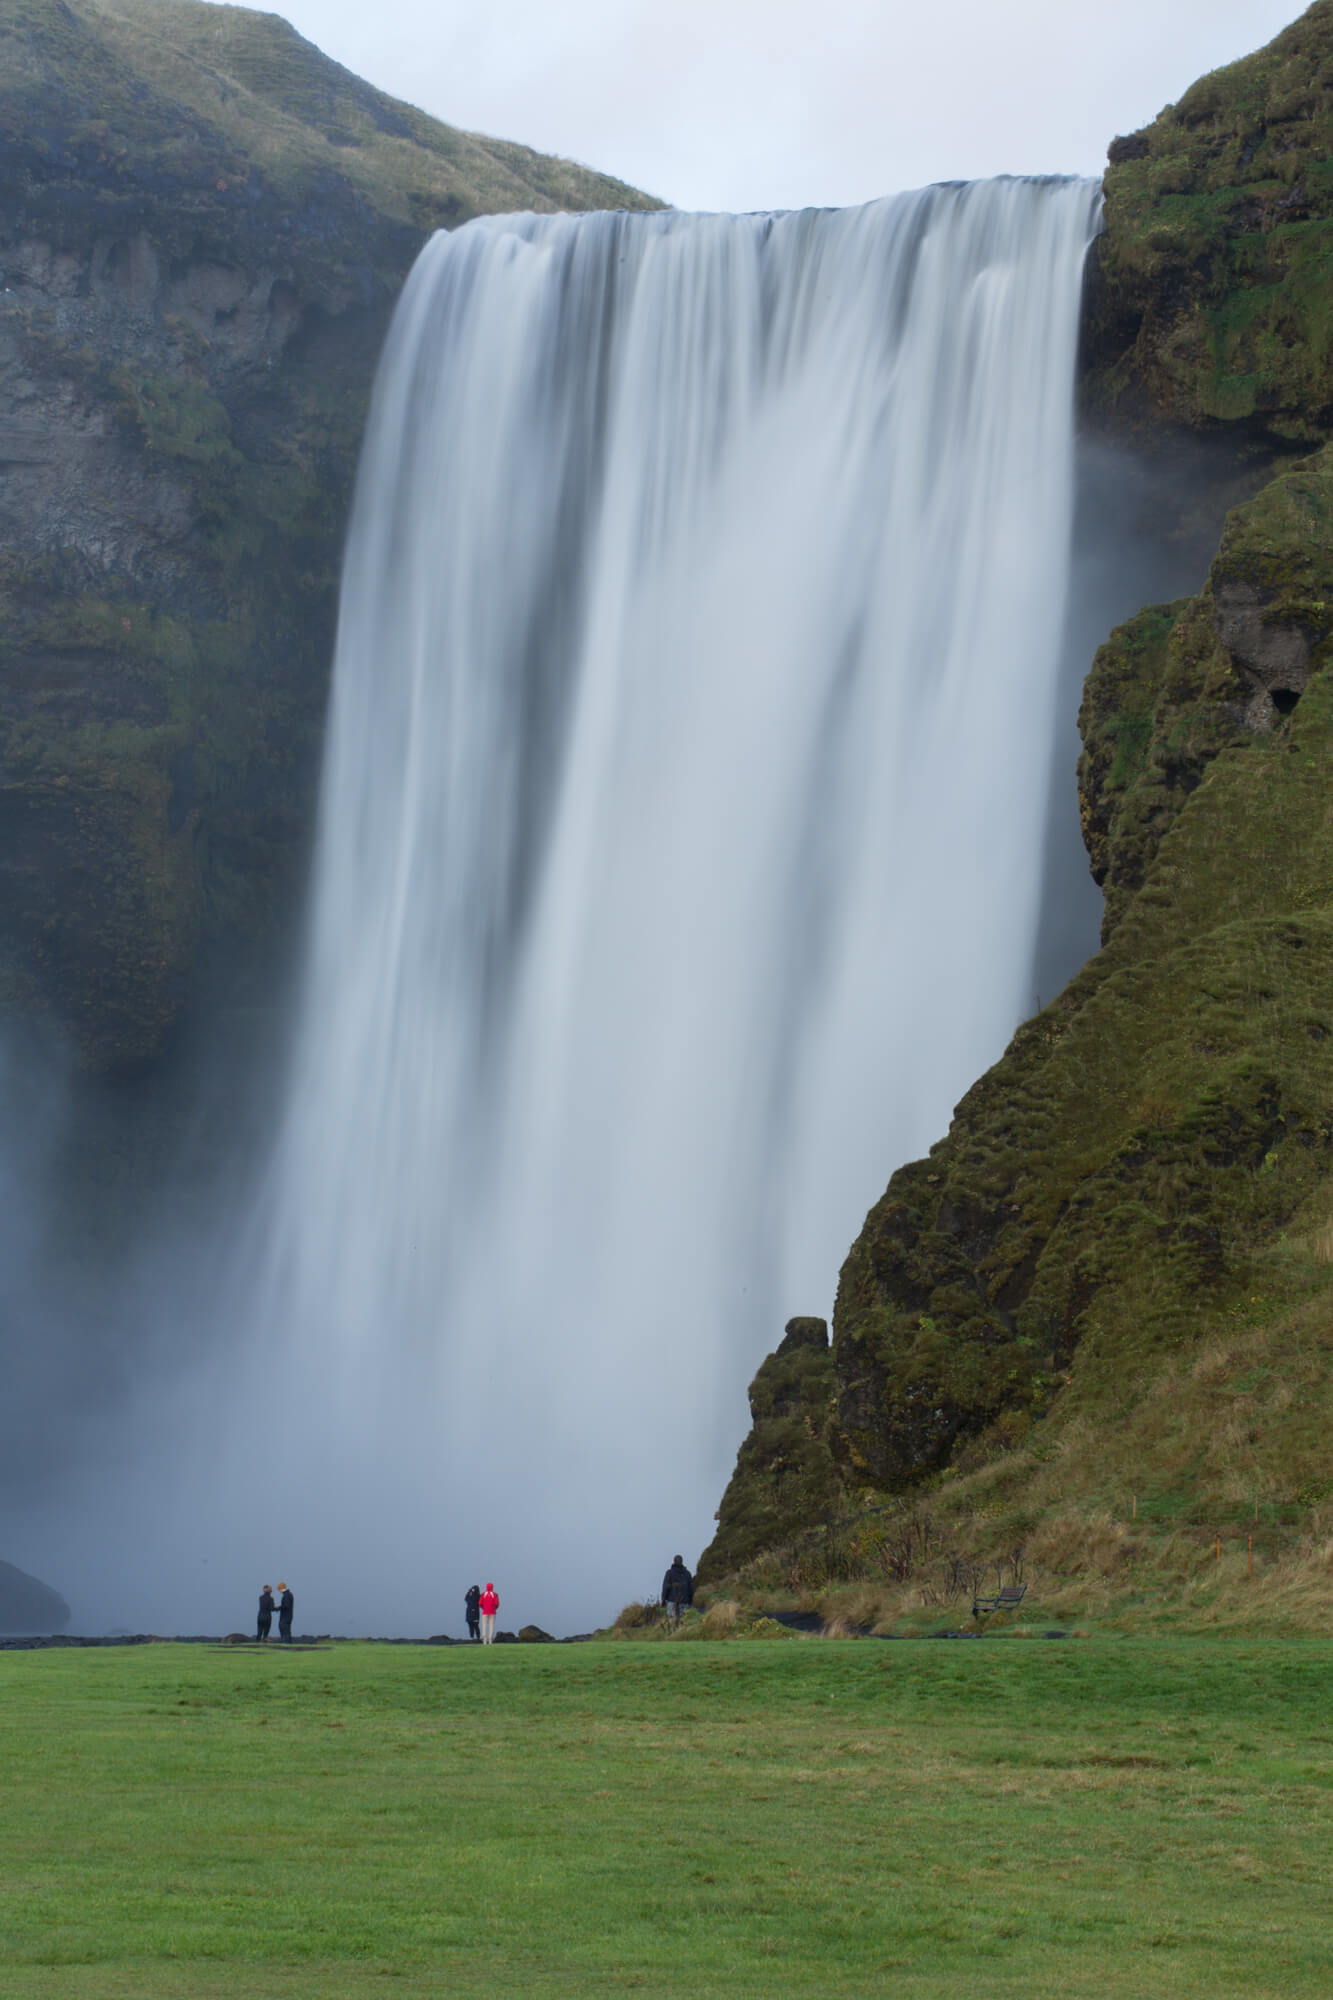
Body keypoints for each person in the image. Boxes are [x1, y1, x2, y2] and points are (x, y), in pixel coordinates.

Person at [661, 1554, 693, 1626]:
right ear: (682, 1562)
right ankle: (681, 1635)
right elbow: (691, 1589)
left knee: (671, 1622)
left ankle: (672, 1636)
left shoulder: (669, 1573)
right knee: (683, 1621)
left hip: (672, 1601)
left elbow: (666, 1587)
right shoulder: (687, 1574)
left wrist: (663, 1600)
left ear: (674, 1562)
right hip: (685, 1601)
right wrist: (690, 1601)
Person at [479, 1581, 499, 1645]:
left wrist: (483, 1608)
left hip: (485, 1612)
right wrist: (494, 1608)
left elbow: (480, 1603)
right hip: (492, 1612)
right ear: (492, 1587)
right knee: (491, 1625)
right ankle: (490, 1640)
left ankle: (484, 1640)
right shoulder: (494, 1594)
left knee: (484, 1625)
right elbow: (497, 1604)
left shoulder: (483, 1594)